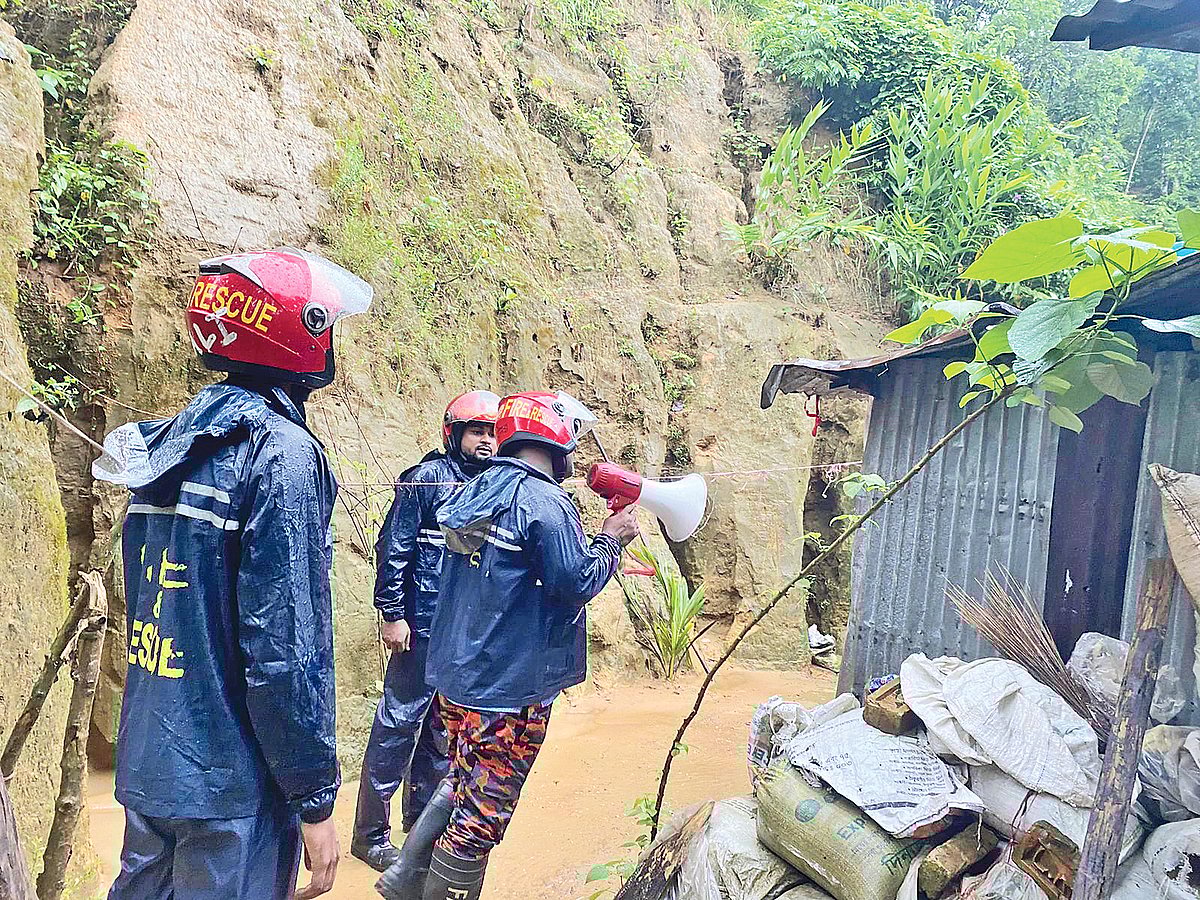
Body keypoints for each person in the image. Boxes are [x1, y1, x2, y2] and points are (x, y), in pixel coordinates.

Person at [94, 248, 373, 900]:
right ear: (295, 333)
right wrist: (315, 799)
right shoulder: (282, 453)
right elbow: (284, 651)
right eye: (323, 323)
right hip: (230, 784)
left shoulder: (163, 443)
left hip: (153, 765)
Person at [376, 391, 640, 900]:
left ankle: (407, 877)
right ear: (557, 437)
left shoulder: (475, 490)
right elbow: (576, 581)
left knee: (463, 775)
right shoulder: (546, 502)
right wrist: (612, 538)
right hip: (508, 689)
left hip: (458, 677)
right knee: (482, 816)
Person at [352, 390, 501, 871]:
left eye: (493, 432)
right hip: (419, 630)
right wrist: (392, 613)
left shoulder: (492, 486)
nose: (487, 441)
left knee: (440, 733)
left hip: (460, 637)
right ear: (453, 433)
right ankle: (369, 836)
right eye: (477, 431)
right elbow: (394, 548)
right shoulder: (425, 479)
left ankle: (418, 827)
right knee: (396, 727)